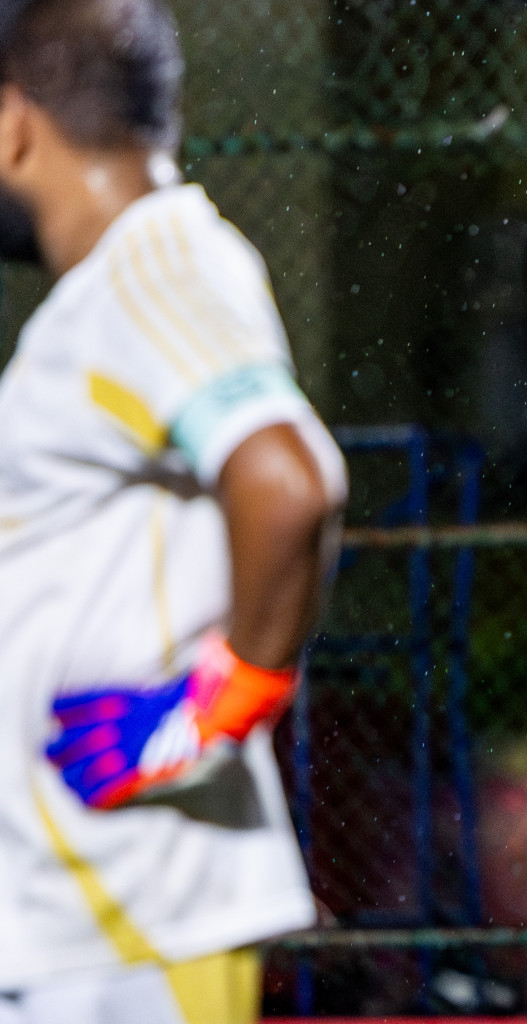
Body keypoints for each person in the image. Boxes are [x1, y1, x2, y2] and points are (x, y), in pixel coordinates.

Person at [0, 1, 347, 1021]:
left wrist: (217, 707)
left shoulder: (152, 268)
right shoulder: (119, 291)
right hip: (75, 920)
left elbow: (290, 478)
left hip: (132, 919)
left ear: (13, 122)